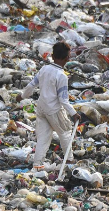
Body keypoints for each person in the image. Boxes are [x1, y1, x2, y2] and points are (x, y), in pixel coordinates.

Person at [17, 42, 80, 170]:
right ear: (67, 58)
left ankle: (37, 164)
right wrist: (74, 113)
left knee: (43, 137)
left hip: (41, 108)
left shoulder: (44, 69)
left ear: (53, 55)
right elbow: (63, 100)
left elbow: (31, 85)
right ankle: (69, 161)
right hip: (54, 110)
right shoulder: (62, 76)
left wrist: (22, 96)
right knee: (65, 133)